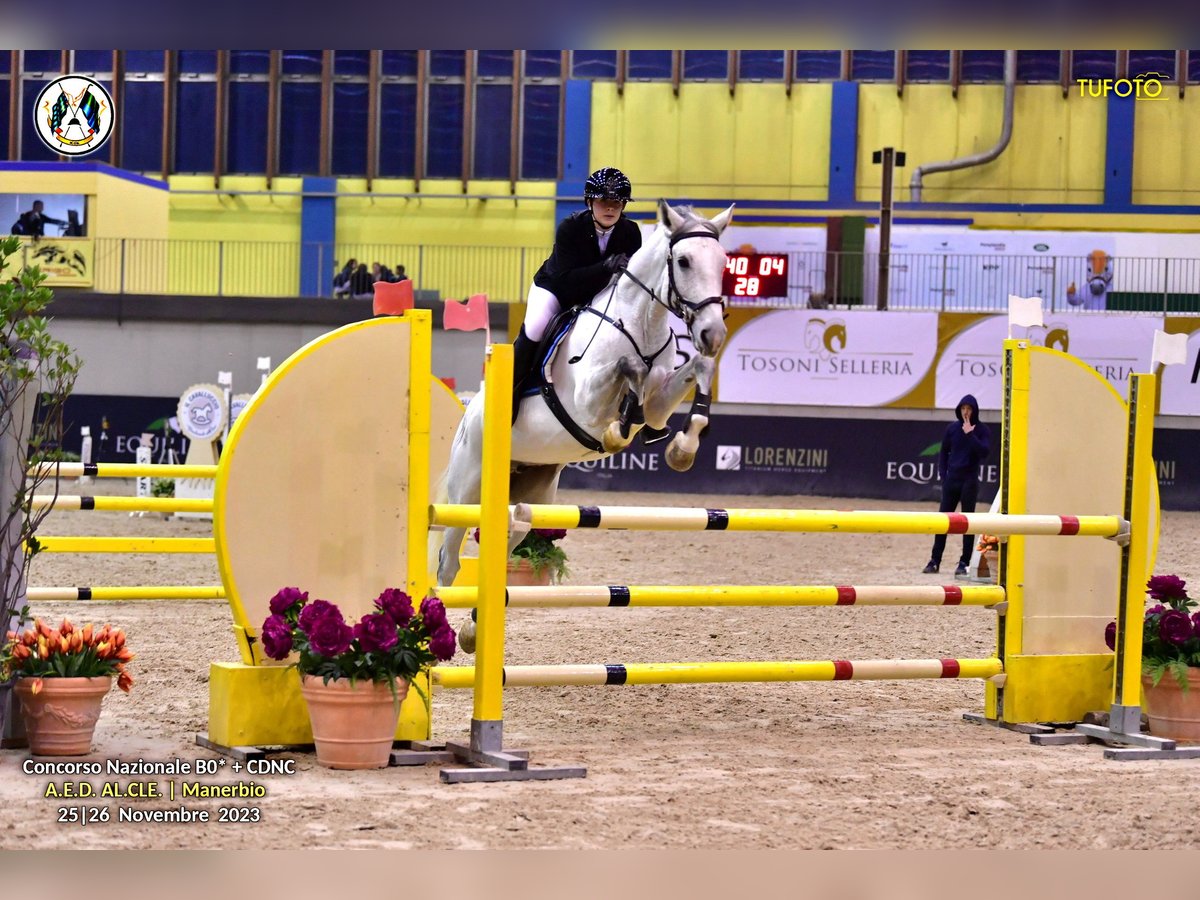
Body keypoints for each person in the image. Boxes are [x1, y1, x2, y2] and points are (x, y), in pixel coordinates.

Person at [510, 166, 642, 421]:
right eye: (604, 201)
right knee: (536, 328)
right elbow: (565, 278)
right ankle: (508, 392)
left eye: (617, 201)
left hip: (598, 295)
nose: (611, 207)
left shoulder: (631, 232)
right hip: (556, 290)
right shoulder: (570, 228)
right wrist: (604, 268)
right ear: (590, 202)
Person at [923, 394, 991, 577]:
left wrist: (970, 435)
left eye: (969, 409)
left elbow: (984, 452)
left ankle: (964, 562)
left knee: (968, 524)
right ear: (959, 410)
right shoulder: (951, 429)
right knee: (943, 522)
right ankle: (935, 560)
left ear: (974, 410)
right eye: (963, 408)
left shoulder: (982, 430)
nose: (966, 412)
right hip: (951, 481)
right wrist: (943, 475)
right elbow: (944, 451)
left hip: (969, 482)